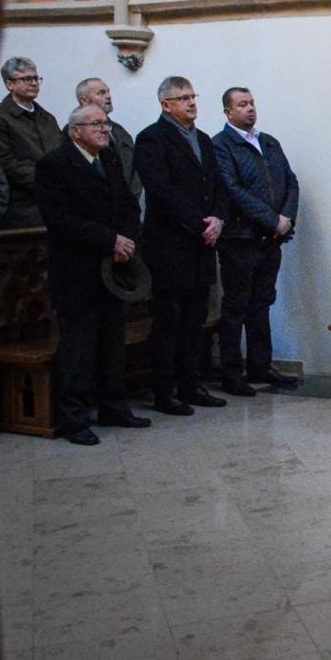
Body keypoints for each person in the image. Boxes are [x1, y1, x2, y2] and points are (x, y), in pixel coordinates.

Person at [34, 105, 151, 445]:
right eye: (96, 124)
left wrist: (125, 240)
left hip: (114, 268)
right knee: (79, 348)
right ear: (75, 131)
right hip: (77, 271)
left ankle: (113, 406)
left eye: (105, 123)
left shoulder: (110, 160)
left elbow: (129, 204)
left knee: (112, 343)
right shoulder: (54, 166)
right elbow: (61, 219)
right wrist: (109, 239)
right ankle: (74, 418)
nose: (104, 129)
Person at [136, 76, 229, 415]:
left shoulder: (203, 139)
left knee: (195, 320)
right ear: (166, 105)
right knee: (168, 322)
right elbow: (161, 191)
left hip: (203, 243)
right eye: (183, 98)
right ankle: (165, 392)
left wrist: (218, 218)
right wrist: (198, 224)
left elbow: (218, 184)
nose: (192, 103)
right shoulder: (151, 139)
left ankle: (191, 385)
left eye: (193, 96)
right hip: (170, 244)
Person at [211, 87, 301, 396]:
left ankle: (260, 366)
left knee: (262, 304)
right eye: (242, 104)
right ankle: (232, 373)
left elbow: (290, 181)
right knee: (236, 307)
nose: (250, 109)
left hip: (269, 240)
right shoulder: (221, 145)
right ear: (228, 112)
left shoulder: (268, 142)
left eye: (251, 103)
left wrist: (285, 218)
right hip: (239, 239)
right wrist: (271, 219)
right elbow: (232, 189)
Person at [0, 56, 63, 228]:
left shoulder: (47, 118)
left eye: (36, 78)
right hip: (21, 208)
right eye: (26, 79)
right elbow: (4, 163)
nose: (34, 83)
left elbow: (62, 153)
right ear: (9, 84)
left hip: (55, 204)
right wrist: (49, 181)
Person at [76, 77, 142, 201]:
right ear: (84, 101)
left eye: (108, 91)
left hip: (128, 201)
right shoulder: (77, 132)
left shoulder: (119, 130)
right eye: (101, 93)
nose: (108, 96)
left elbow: (134, 168)